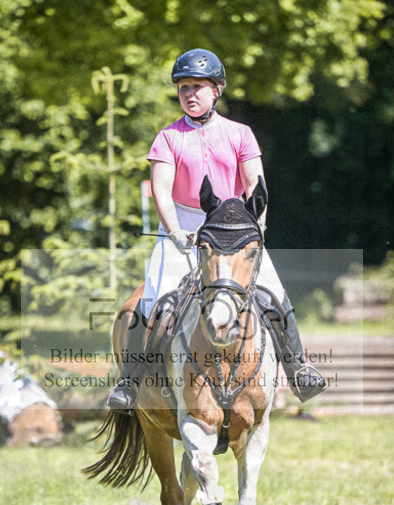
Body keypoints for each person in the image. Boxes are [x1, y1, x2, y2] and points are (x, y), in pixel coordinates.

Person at [107, 47, 326, 411]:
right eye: (183, 88)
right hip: (183, 226)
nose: (189, 94)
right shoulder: (167, 137)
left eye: (198, 86)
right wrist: (174, 230)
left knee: (273, 292)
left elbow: (256, 183)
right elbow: (161, 188)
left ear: (217, 89)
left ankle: (298, 368)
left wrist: (258, 225)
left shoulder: (240, 133)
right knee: (152, 301)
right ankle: (129, 382)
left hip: (234, 227)